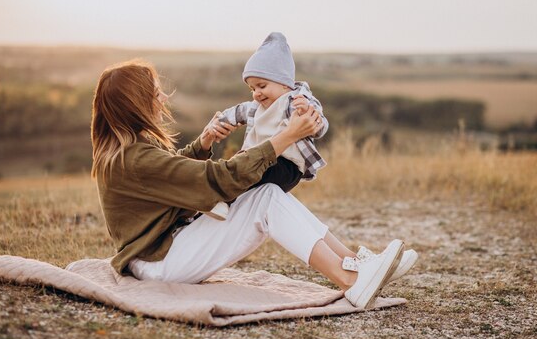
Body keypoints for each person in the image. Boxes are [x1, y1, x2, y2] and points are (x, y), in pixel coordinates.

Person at [90, 58, 413, 309]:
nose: (161, 96)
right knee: (266, 200)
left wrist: (201, 145)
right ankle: (350, 279)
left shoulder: (130, 150)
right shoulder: (133, 158)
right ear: (136, 102)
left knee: (266, 193)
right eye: (154, 90)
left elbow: (173, 175)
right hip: (160, 261)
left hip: (163, 251)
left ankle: (356, 265)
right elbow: (218, 181)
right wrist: (285, 137)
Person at [204, 32, 328, 221]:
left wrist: (308, 112)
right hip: (260, 162)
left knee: (246, 166)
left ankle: (223, 200)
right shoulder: (257, 108)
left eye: (262, 86)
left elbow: (320, 126)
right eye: (252, 89)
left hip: (286, 167)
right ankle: (222, 202)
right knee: (235, 165)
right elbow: (237, 112)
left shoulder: (294, 101)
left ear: (285, 83)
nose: (256, 94)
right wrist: (218, 123)